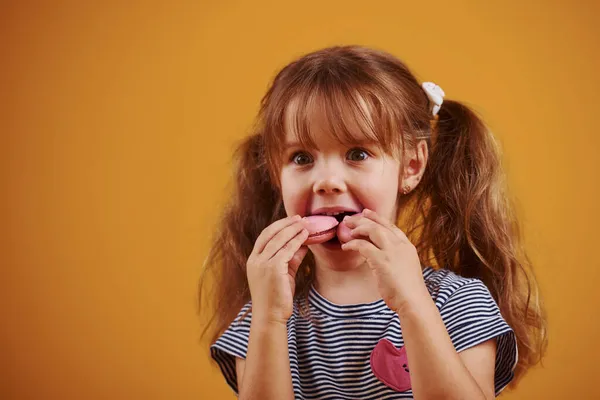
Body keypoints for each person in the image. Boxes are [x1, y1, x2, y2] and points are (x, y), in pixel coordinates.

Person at [198, 45, 548, 399]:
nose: (326, 180)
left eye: (357, 154)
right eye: (301, 157)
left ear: (411, 165)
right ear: (276, 172)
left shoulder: (457, 302)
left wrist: (413, 304)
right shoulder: (261, 317)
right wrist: (269, 320)